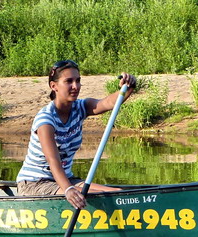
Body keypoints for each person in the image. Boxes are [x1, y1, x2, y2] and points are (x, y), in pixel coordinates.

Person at [17, 60, 136, 209]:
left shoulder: (80, 107)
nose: (75, 86)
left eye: (78, 80)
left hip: (65, 179)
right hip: (35, 184)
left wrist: (127, 88)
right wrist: (68, 190)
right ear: (54, 86)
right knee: (94, 196)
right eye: (69, 81)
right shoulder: (45, 120)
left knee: (118, 193)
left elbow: (107, 103)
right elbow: (53, 161)